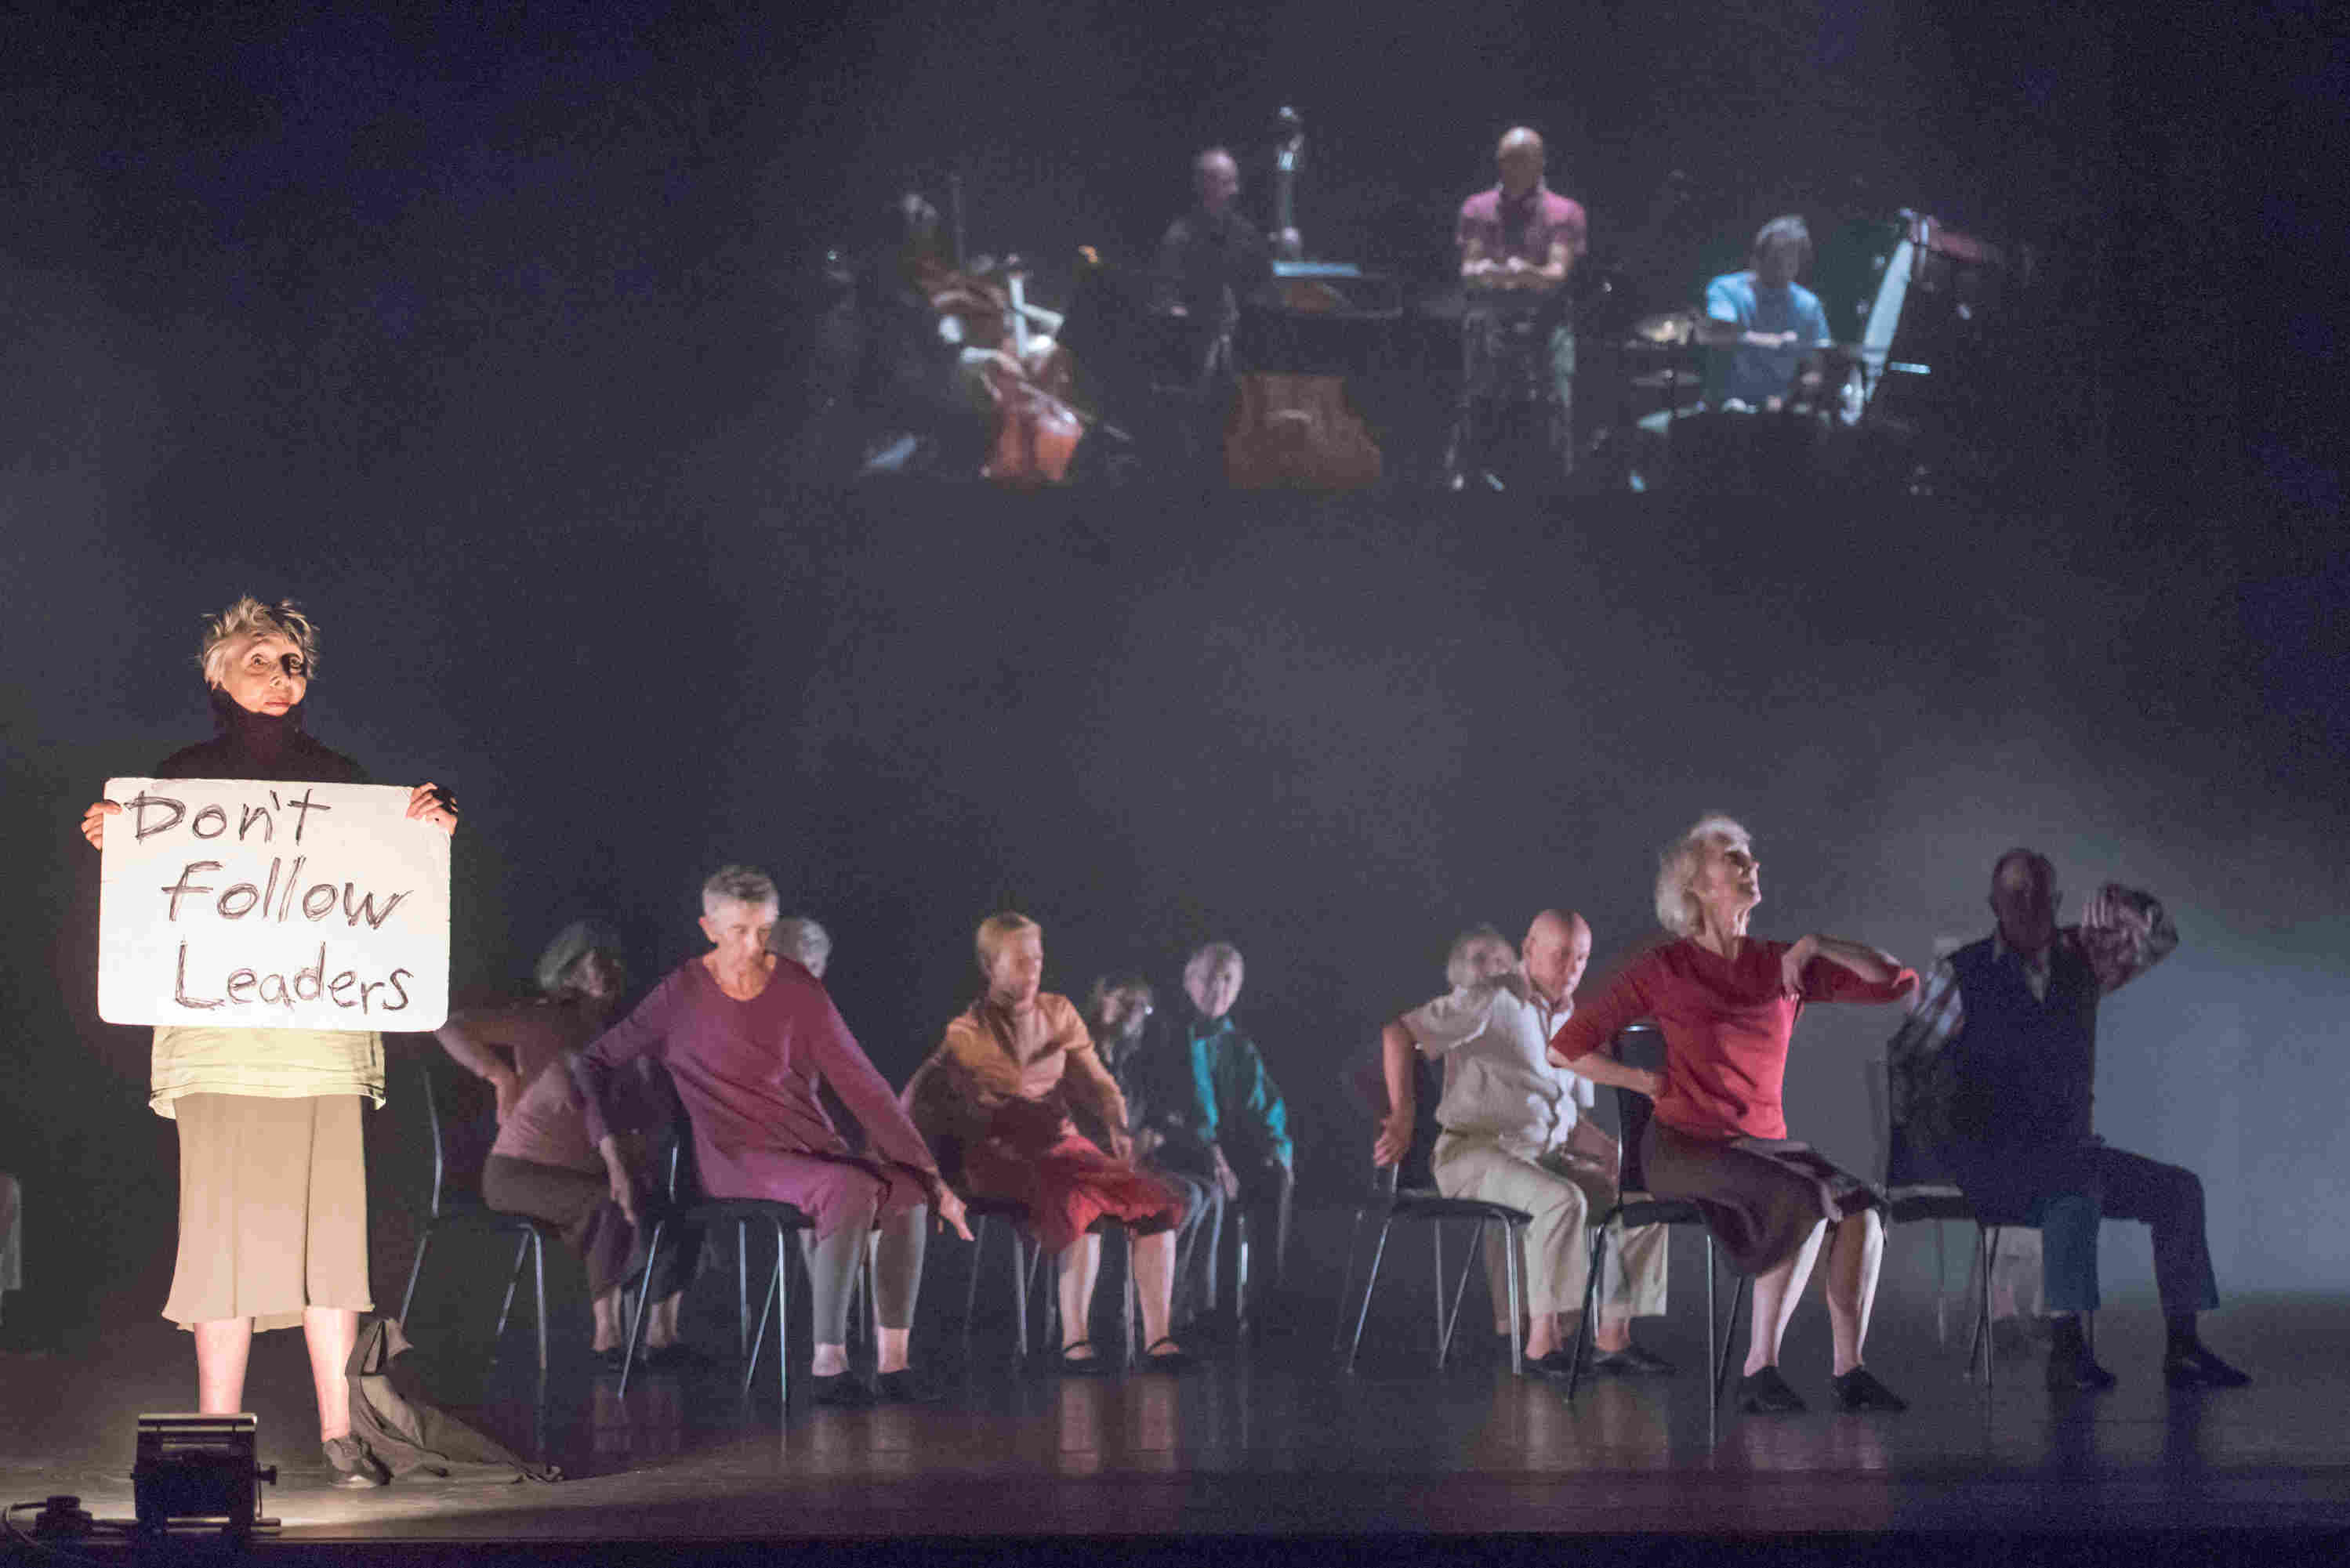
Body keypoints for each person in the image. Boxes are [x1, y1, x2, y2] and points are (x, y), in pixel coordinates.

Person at [78, 596, 458, 1487]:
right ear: (216, 674)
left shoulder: (347, 784)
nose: (279, 677)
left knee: (332, 1241)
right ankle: (219, 1439)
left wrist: (428, 833)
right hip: (218, 1050)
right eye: (259, 658)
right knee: (223, 1243)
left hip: (320, 1047)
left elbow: (394, 894)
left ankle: (341, 1434)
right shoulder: (175, 784)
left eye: (293, 663)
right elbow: (150, 906)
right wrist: (114, 840)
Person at [1547, 815, 1918, 1414]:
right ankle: (1759, 1368)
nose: (1751, 865)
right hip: (1681, 1149)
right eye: (1734, 857)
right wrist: (1639, 1078)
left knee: (1864, 1209)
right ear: (1696, 883)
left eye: (1751, 855)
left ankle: (1850, 1371)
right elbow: (1564, 1045)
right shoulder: (1664, 967)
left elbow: (1896, 980)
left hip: (1763, 1147)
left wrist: (1818, 944)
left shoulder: (1782, 963)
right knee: (1804, 1197)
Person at [568, 867, 970, 1407]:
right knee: (846, 1189)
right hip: (731, 1158)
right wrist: (611, 1149)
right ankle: (829, 1363)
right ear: (709, 927)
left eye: (764, 930)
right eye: (738, 931)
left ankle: (894, 1362)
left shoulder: (798, 988)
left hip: (807, 1147)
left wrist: (932, 1176)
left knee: (908, 1192)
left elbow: (865, 1085)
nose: (753, 945)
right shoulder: (680, 994)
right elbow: (593, 1061)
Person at [1886, 850, 2248, 1391]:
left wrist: (2130, 905)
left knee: (2179, 1192)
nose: (2026, 906)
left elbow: (2161, 937)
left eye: (2037, 895)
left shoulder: (2084, 957)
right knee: (2074, 1197)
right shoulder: (1963, 974)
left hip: (2070, 1152)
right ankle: (2067, 1349)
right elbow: (1906, 1058)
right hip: (1994, 1162)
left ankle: (2184, 1348)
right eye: (2014, 896)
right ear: (1994, 905)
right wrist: (1936, 1147)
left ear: (2055, 901)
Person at [1376, 916, 1670, 1376]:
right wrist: (1403, 1115)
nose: (1571, 968)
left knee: (1639, 1203)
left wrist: (1612, 1154)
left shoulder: (1574, 1020)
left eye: (1580, 958)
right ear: (1528, 948)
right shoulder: (1491, 998)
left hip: (1545, 1157)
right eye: (1560, 955)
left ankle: (1614, 1339)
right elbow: (1400, 1032)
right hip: (1473, 1154)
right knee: (1559, 1200)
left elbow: (1573, 1119)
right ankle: (1541, 1343)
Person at [901, 914, 1192, 1371]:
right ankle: (1074, 1341)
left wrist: (1116, 1123)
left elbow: (1097, 1080)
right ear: (989, 965)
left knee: (1152, 1200)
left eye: (1037, 958)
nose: (1032, 969)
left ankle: (1158, 1337)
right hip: (999, 1153)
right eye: (1019, 960)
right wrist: (927, 1170)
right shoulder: (968, 1031)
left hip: (1062, 1145)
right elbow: (917, 1096)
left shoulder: (1059, 1012)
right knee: (1082, 1201)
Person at [433, 921, 696, 1368]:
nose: (613, 969)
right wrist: (500, 1077)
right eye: (600, 960)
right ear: (571, 969)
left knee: (678, 1212)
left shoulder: (621, 1031)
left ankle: (661, 1337)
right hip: (522, 1171)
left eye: (617, 960)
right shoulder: (541, 1017)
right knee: (605, 1206)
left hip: (592, 1165)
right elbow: (449, 1025)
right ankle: (606, 1339)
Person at [1450, 125, 1587, 489]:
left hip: (1547, 327)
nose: (1511, 169)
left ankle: (1556, 488)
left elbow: (1557, 274)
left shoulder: (1564, 211)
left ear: (1541, 163)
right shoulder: (1477, 208)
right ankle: (1467, 481)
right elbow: (1469, 270)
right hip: (1490, 325)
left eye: (1521, 161)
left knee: (1554, 408)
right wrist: (1500, 274)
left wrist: (1522, 273)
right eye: (1506, 161)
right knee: (1476, 403)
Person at [1086, 974, 1223, 1331]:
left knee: (1206, 1191)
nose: (1135, 1014)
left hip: (1128, 1164)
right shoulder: (1083, 1053)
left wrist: (1154, 1135)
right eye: (1125, 1002)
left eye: (1142, 1007)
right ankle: (1144, 1306)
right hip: (1092, 1167)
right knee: (1188, 1196)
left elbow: (1142, 1117)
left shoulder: (1128, 1061)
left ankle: (1176, 1306)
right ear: (1102, 1000)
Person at [1166, 942, 1293, 1326]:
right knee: (1212, 1182)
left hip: (1230, 1146)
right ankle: (1200, 1309)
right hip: (1182, 1145)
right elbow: (1180, 1109)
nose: (1218, 989)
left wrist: (1276, 1150)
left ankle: (1262, 1305)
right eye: (1209, 978)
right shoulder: (1170, 1035)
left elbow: (1267, 1105)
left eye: (1229, 980)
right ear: (1189, 981)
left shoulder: (1236, 1044)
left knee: (1274, 1175)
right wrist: (1215, 1154)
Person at [1696, 215, 1834, 413]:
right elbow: (1714, 335)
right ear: (1756, 259)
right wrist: (1773, 341)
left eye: (1790, 261)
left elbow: (1815, 366)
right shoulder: (1725, 289)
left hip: (1778, 412)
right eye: (1776, 260)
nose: (1783, 269)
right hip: (1722, 409)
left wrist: (1800, 390)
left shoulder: (1809, 305)